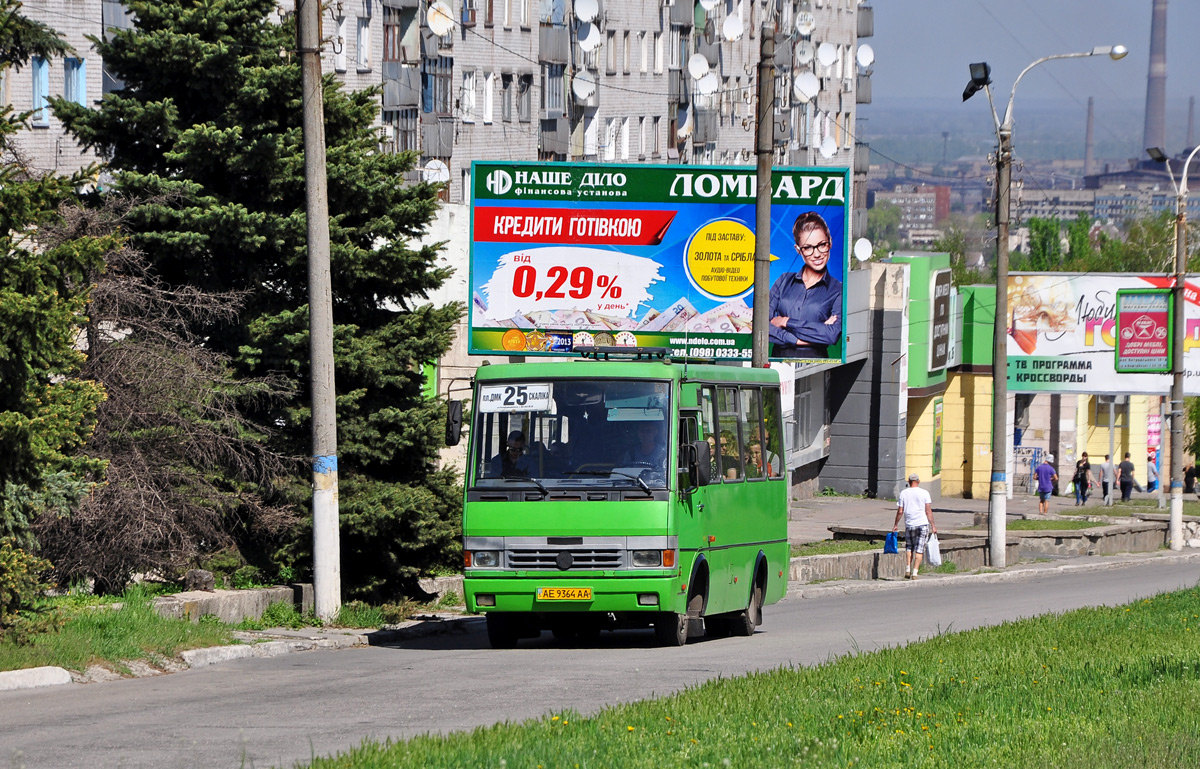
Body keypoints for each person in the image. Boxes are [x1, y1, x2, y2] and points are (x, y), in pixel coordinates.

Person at [767, 212, 842, 359]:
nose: (817, 254)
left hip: (816, 366)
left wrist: (785, 321)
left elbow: (831, 335)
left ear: (830, 242)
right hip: (778, 364)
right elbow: (760, 325)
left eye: (821, 245)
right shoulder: (783, 281)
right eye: (808, 248)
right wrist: (798, 340)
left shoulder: (838, 290)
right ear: (798, 250)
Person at [892, 474, 936, 580]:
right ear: (918, 481)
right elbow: (928, 511)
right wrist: (933, 526)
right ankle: (915, 572)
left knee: (909, 547)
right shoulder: (925, 493)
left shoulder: (903, 493)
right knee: (919, 549)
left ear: (908, 481)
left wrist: (896, 524)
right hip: (922, 524)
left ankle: (908, 569)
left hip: (910, 524)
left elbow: (900, 511)